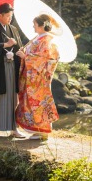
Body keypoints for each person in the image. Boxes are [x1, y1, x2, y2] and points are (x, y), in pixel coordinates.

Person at [0, 2, 26, 139]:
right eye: (8, 16)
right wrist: (4, 45)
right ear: (0, 15)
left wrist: (19, 52)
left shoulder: (13, 29)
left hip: (12, 67)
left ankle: (14, 129)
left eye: (11, 16)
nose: (10, 18)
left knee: (13, 98)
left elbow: (19, 46)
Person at [16, 13, 60, 141]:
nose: (33, 27)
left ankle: (43, 131)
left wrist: (26, 57)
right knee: (32, 102)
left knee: (39, 102)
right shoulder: (39, 38)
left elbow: (43, 58)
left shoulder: (47, 40)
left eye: (34, 25)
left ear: (41, 26)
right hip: (32, 76)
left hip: (39, 78)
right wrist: (24, 52)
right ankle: (37, 130)